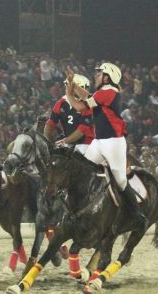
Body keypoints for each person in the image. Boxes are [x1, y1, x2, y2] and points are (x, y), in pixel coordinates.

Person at [65, 63, 147, 228]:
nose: (95, 76)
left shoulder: (109, 91)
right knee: (83, 169)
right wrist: (73, 84)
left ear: (107, 77)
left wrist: (69, 92)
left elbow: (79, 106)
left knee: (121, 181)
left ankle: (138, 215)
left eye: (99, 73)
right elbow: (88, 96)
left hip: (113, 143)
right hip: (99, 141)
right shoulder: (104, 92)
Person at [43, 73, 94, 154]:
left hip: (86, 143)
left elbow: (81, 131)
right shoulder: (61, 103)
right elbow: (50, 124)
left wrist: (64, 141)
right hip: (68, 143)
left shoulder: (89, 104)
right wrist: (48, 142)